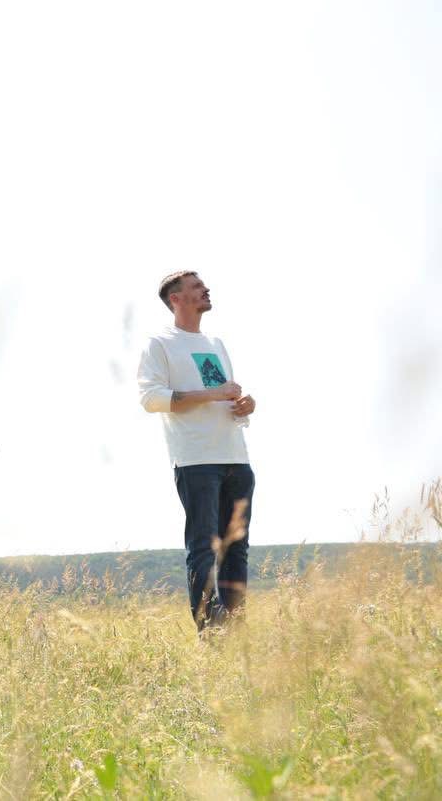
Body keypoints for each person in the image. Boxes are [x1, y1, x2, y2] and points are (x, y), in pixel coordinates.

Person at [137, 270, 256, 630]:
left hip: (236, 457)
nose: (206, 289)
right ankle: (209, 631)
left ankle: (234, 630)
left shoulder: (216, 343)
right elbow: (151, 398)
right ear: (176, 298)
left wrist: (243, 406)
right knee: (204, 549)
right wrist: (214, 394)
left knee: (236, 549)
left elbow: (225, 398)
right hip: (196, 461)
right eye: (196, 287)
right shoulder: (160, 344)